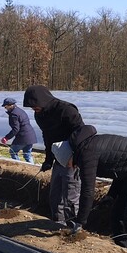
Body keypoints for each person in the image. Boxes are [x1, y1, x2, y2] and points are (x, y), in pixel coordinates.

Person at [52, 125, 127, 253]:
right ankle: (125, 251)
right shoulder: (86, 147)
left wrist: (80, 221)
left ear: (69, 156)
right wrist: (111, 195)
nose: (71, 167)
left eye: (69, 164)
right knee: (116, 214)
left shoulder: (86, 153)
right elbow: (119, 168)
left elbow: (88, 190)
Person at [22, 85, 85, 226]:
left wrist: (74, 156)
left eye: (35, 106)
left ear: (43, 100)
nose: (33, 109)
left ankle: (73, 227)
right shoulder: (40, 114)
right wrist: (48, 159)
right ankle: (58, 224)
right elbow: (47, 136)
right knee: (56, 195)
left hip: (72, 160)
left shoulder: (66, 110)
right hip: (58, 158)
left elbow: (81, 133)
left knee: (70, 195)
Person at [0, 97, 36, 163]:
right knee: (27, 154)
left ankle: (18, 166)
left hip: (23, 137)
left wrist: (6, 138)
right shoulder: (19, 111)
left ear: (10, 105)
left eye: (5, 106)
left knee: (13, 152)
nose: (5, 108)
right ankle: (33, 168)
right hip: (30, 135)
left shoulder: (14, 114)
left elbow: (16, 129)